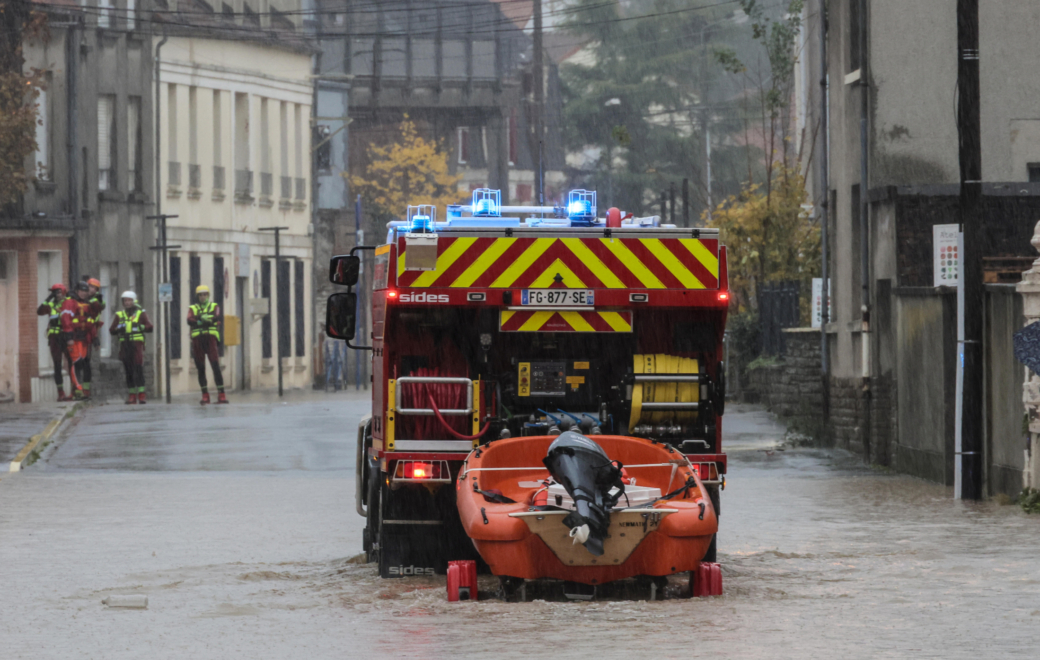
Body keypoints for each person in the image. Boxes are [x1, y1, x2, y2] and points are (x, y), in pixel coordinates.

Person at [59, 282, 101, 400]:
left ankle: (77, 391)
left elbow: (91, 323)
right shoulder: (70, 303)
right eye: (81, 290)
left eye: (85, 291)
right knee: (76, 363)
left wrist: (95, 339)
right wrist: (69, 337)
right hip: (74, 338)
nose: (83, 293)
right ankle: (78, 390)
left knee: (80, 364)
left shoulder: (87, 305)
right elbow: (66, 320)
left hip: (84, 339)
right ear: (77, 291)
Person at [187, 284, 228, 404]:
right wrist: (202, 319)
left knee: (215, 366)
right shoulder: (192, 308)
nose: (203, 297)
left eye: (205, 294)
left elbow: (216, 317)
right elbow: (189, 320)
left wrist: (199, 320)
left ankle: (221, 394)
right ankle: (205, 395)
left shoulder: (214, 306)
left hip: (210, 339)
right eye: (200, 295)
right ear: (197, 296)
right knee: (201, 368)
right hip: (198, 340)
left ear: (208, 295)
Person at [110, 291, 153, 404]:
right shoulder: (119, 315)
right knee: (128, 370)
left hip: (137, 345)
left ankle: (142, 395)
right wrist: (119, 328)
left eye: (129, 300)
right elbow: (111, 330)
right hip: (125, 346)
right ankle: (132, 395)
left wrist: (140, 326)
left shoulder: (140, 314)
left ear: (134, 301)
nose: (127, 303)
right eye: (125, 301)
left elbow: (150, 327)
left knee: (138, 369)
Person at [36, 283, 74, 401]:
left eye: (58, 292)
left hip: (66, 336)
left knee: (72, 363)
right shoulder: (51, 305)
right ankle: (61, 392)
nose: (56, 295)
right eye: (54, 292)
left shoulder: (69, 303)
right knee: (57, 365)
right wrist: (48, 298)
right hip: (54, 338)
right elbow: (39, 311)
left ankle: (74, 390)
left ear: (63, 292)